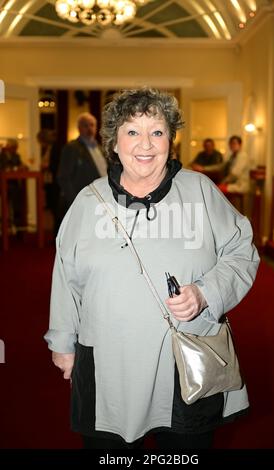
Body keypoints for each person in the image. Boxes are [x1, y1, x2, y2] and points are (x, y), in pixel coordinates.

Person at [44, 88, 260, 450]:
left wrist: (206, 292)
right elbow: (66, 277)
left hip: (185, 368)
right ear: (114, 143)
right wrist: (63, 343)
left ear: (170, 141)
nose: (145, 144)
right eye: (132, 132)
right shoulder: (86, 201)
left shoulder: (200, 191)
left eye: (157, 132)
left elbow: (242, 250)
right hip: (110, 367)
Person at [57, 112, 107, 220]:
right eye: (85, 125)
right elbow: (64, 178)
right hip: (82, 201)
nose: (89, 128)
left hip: (100, 200)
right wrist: (75, 201)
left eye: (92, 125)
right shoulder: (72, 148)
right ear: (79, 128)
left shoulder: (100, 148)